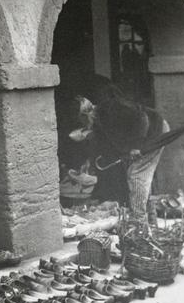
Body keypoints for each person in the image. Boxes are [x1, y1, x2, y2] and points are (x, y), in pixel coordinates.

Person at [71, 84, 168, 217]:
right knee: (140, 175)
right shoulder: (100, 122)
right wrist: (89, 161)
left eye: (83, 123)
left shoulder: (109, 109)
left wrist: (136, 145)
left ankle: (138, 220)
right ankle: (149, 217)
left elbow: (142, 119)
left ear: (86, 115)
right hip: (148, 132)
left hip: (155, 128)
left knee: (136, 174)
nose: (85, 127)